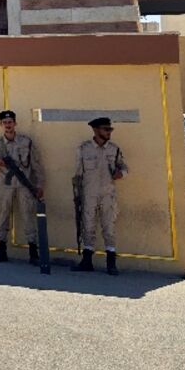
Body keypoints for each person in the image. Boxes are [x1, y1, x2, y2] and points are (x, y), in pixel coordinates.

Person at [0, 110, 43, 264]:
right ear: (1, 125)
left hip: (24, 186)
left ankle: (33, 253)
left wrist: (39, 185)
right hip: (5, 187)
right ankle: (2, 250)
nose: (8, 125)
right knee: (3, 216)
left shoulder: (25, 142)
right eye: (5, 123)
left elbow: (36, 166)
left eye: (10, 122)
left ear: (15, 124)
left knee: (28, 216)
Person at [72, 116, 128, 275]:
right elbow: (78, 174)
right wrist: (77, 195)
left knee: (108, 228)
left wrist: (121, 174)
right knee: (88, 227)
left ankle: (111, 263)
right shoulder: (84, 149)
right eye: (106, 129)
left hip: (108, 195)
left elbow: (125, 168)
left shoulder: (114, 149)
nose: (109, 132)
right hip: (88, 194)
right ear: (96, 130)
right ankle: (87, 261)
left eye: (110, 129)